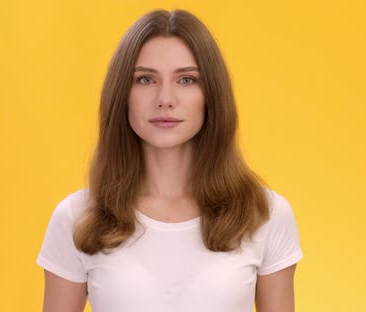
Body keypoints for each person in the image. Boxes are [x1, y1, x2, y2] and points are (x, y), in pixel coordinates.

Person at [36, 9, 303, 312]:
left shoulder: (264, 214)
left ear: (211, 95)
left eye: (186, 79)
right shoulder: (77, 218)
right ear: (122, 94)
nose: (165, 98)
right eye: (146, 79)